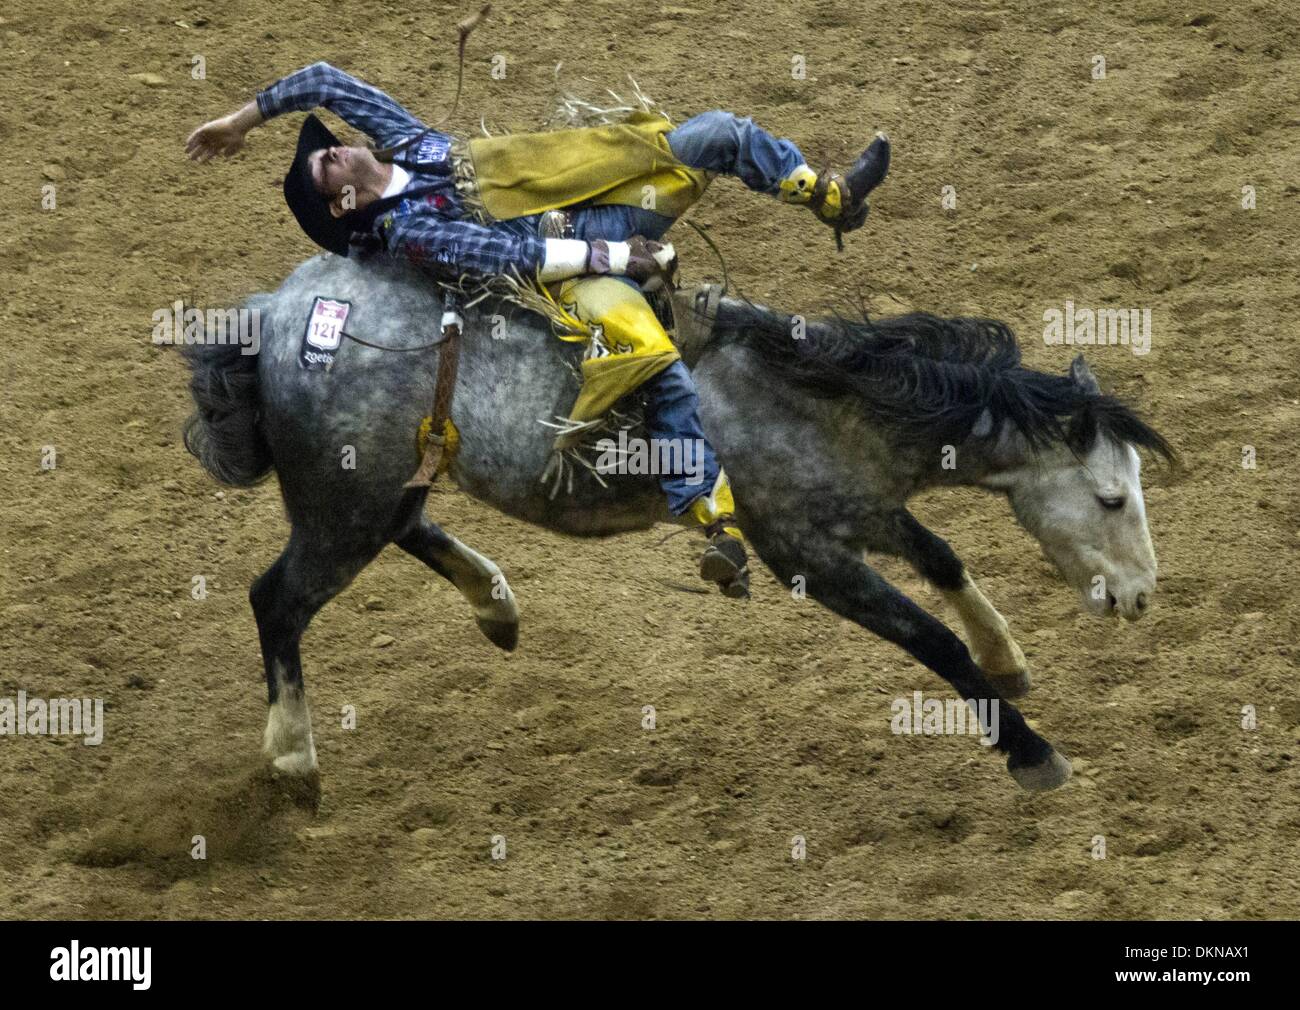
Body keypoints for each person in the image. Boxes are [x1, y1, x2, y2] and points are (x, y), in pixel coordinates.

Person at [187, 62, 889, 598]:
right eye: (324, 165)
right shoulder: (412, 231)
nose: (334, 150)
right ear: (340, 204)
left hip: (604, 185)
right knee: (649, 356)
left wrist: (242, 120)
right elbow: (510, 256)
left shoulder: (403, 142)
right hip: (575, 266)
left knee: (718, 135)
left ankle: (829, 197)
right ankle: (712, 516)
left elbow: (323, 81)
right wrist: (621, 258)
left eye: (327, 147)